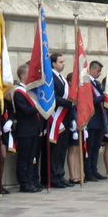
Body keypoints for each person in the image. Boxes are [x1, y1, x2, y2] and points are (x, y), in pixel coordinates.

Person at [44, 52, 73, 188]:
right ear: (53, 64)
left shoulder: (62, 78)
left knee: (62, 148)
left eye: (64, 62)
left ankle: (60, 174)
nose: (63, 64)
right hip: (55, 117)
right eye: (61, 62)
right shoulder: (50, 77)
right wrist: (68, 103)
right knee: (55, 150)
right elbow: (52, 97)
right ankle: (53, 176)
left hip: (65, 117)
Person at [13, 62, 43, 192]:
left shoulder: (31, 91)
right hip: (25, 130)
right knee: (24, 158)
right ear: (23, 75)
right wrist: (37, 107)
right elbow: (24, 110)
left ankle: (31, 180)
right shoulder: (19, 92)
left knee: (32, 158)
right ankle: (24, 183)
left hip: (34, 129)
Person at [84, 60, 106, 182]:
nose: (99, 73)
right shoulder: (87, 84)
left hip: (99, 119)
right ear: (91, 70)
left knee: (96, 147)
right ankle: (88, 171)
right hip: (91, 119)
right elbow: (90, 101)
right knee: (90, 146)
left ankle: (94, 169)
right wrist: (104, 96)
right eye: (98, 71)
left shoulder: (96, 84)